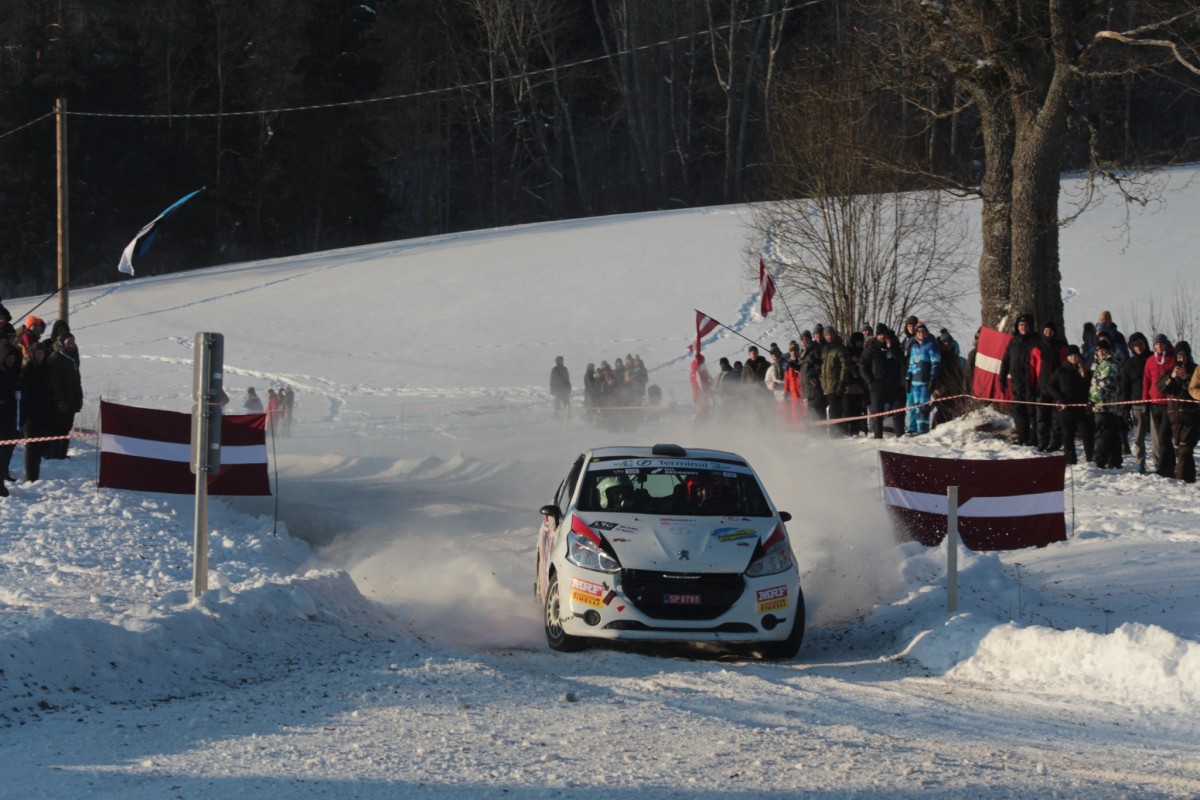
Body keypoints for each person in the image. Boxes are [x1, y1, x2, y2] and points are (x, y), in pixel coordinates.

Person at [1156, 341, 1198, 483]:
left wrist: (1187, 379)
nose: (1181, 359)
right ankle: (1189, 480)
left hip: (1192, 417)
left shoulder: (1195, 370)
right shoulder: (1171, 370)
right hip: (1175, 418)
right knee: (1181, 452)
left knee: (1185, 451)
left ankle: (1181, 480)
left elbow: (1196, 390)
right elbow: (1160, 387)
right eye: (1179, 356)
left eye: (1184, 355)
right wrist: (1172, 377)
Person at [1046, 345, 1093, 466]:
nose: (1073, 357)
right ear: (1067, 357)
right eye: (1071, 355)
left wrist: (1090, 401)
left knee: (1087, 435)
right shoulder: (1060, 371)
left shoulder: (1085, 371)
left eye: (1075, 355)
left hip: (1082, 409)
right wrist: (1060, 397)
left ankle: (1090, 460)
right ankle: (1071, 461)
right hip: (1066, 410)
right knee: (1067, 436)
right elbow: (1050, 386)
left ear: (1079, 356)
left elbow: (1091, 389)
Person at [999, 313, 1038, 446]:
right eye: (1021, 325)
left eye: (1025, 325)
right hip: (1017, 382)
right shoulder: (1013, 342)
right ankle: (1022, 437)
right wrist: (1002, 378)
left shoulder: (1036, 341)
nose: (1023, 327)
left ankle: (1034, 438)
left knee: (1032, 412)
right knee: (1019, 412)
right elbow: (1006, 361)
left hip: (1032, 383)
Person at [860, 324, 905, 439]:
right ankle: (878, 437)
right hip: (877, 385)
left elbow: (901, 360)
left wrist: (891, 348)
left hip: (893, 384)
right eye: (880, 334)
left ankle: (900, 436)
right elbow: (862, 366)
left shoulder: (894, 345)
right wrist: (870, 380)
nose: (882, 337)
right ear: (876, 335)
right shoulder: (871, 348)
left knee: (898, 410)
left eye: (884, 334)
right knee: (877, 413)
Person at [1143, 333, 1176, 478]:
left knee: (1164, 436)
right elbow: (1146, 381)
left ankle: (1162, 467)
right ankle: (1171, 464)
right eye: (1157, 344)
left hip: (1168, 403)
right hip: (1154, 403)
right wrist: (1145, 400)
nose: (1159, 347)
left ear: (1166, 345)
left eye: (1162, 344)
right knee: (1161, 437)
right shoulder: (1150, 360)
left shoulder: (1171, 359)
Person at [19, 342, 53, 482]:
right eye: (37, 352)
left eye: (42, 352)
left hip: (44, 413)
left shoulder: (48, 369)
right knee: (31, 448)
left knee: (40, 448)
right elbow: (24, 394)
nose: (40, 355)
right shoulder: (27, 370)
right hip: (30, 415)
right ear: (32, 354)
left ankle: (35, 477)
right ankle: (30, 478)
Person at [1031, 321, 1067, 451]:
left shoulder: (1061, 346)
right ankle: (1042, 442)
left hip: (1057, 388)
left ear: (1054, 332)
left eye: (1050, 330)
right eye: (1046, 330)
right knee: (1042, 417)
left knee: (1056, 418)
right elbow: (1032, 367)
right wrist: (1032, 385)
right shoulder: (1037, 347)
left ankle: (1055, 443)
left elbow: (1066, 365)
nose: (1048, 333)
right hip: (1042, 388)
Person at [1118, 332, 1150, 473]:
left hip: (1154, 402)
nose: (1138, 347)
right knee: (1139, 436)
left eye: (1140, 344)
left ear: (1145, 344)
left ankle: (1161, 463)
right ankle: (1140, 463)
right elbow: (1125, 387)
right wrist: (1125, 408)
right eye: (1135, 345)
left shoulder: (1152, 359)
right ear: (1131, 347)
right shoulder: (1128, 364)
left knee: (1158, 437)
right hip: (1137, 403)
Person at [47, 334, 82, 460]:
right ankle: (54, 454)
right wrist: (60, 400)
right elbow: (55, 383)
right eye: (69, 342)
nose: (72, 344)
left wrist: (79, 398)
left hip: (71, 400)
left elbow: (76, 381)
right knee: (57, 428)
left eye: (73, 342)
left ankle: (62, 453)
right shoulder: (56, 358)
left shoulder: (72, 358)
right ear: (62, 343)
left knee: (66, 428)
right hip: (60, 402)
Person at [1090, 338, 1124, 469]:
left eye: (1104, 350)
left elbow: (1105, 384)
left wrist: (1093, 400)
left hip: (1106, 405)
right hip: (1102, 406)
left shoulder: (1110, 364)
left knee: (1102, 434)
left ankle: (1099, 461)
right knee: (1112, 434)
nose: (1101, 352)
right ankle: (1115, 461)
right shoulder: (1099, 364)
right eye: (1099, 350)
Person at [906, 322, 941, 435]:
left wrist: (933, 378)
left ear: (926, 333)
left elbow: (936, 363)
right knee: (917, 406)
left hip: (925, 381)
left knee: (923, 406)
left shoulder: (931, 345)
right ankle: (917, 429)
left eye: (923, 331)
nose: (921, 334)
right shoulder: (914, 347)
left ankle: (923, 430)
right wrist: (908, 378)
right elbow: (911, 364)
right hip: (915, 382)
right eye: (919, 332)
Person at [820, 326, 852, 434]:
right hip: (826, 385)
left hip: (836, 384)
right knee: (830, 411)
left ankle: (838, 433)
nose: (829, 336)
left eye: (831, 334)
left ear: (834, 335)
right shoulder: (824, 349)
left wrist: (842, 382)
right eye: (827, 335)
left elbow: (845, 366)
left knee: (836, 411)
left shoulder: (840, 348)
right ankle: (833, 432)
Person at [0, 342, 20, 495]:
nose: (11, 359)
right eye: (8, 357)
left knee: (8, 451)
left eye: (13, 357)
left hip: (12, 419)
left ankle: (4, 474)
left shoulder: (16, 374)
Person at [690, 354, 712, 419]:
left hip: (699, 394)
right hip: (701, 395)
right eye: (703, 362)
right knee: (703, 411)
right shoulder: (698, 371)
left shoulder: (696, 370)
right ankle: (703, 422)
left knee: (702, 410)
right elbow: (699, 383)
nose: (704, 363)